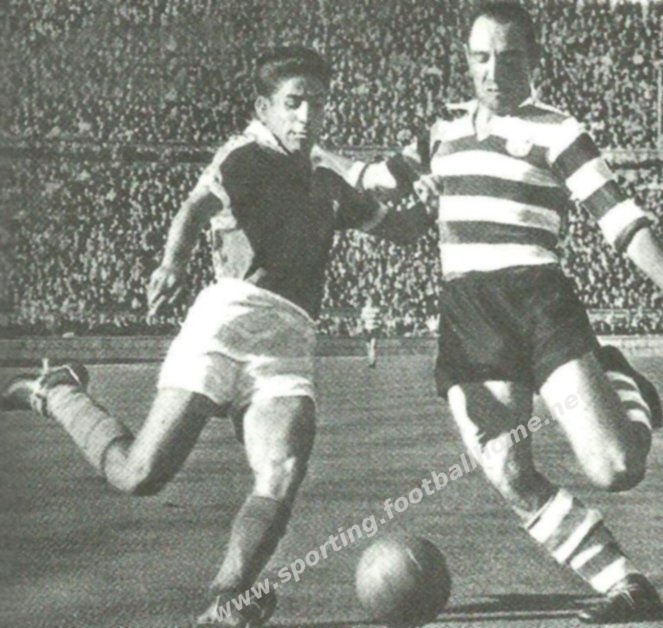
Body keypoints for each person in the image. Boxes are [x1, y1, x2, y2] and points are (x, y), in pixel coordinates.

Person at [315, 3, 663, 623]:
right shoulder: (440, 129)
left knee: (617, 469)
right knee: (510, 474)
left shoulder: (559, 130)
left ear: (534, 60)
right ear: (467, 61)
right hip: (467, 316)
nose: (494, 70)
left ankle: (625, 382)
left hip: (538, 303)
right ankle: (625, 583)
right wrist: (313, 155)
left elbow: (621, 220)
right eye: (481, 57)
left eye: (509, 58)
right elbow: (374, 178)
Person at [2, 46, 430, 627]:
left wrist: (436, 196)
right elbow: (194, 208)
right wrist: (172, 263)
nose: (307, 115)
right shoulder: (246, 156)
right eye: (294, 102)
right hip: (227, 319)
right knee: (139, 475)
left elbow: (402, 230)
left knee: (282, 470)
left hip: (289, 342)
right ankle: (58, 392)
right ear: (265, 107)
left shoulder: (329, 180)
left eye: (317, 102)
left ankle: (230, 597)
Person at [360, 295, 381, 368]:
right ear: (366, 302)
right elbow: (362, 319)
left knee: (373, 346)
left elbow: (380, 320)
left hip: (374, 329)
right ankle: (370, 361)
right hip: (367, 329)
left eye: (371, 301)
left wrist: (378, 324)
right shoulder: (364, 310)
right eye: (368, 301)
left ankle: (373, 362)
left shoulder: (376, 310)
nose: (370, 302)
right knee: (368, 347)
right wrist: (362, 327)